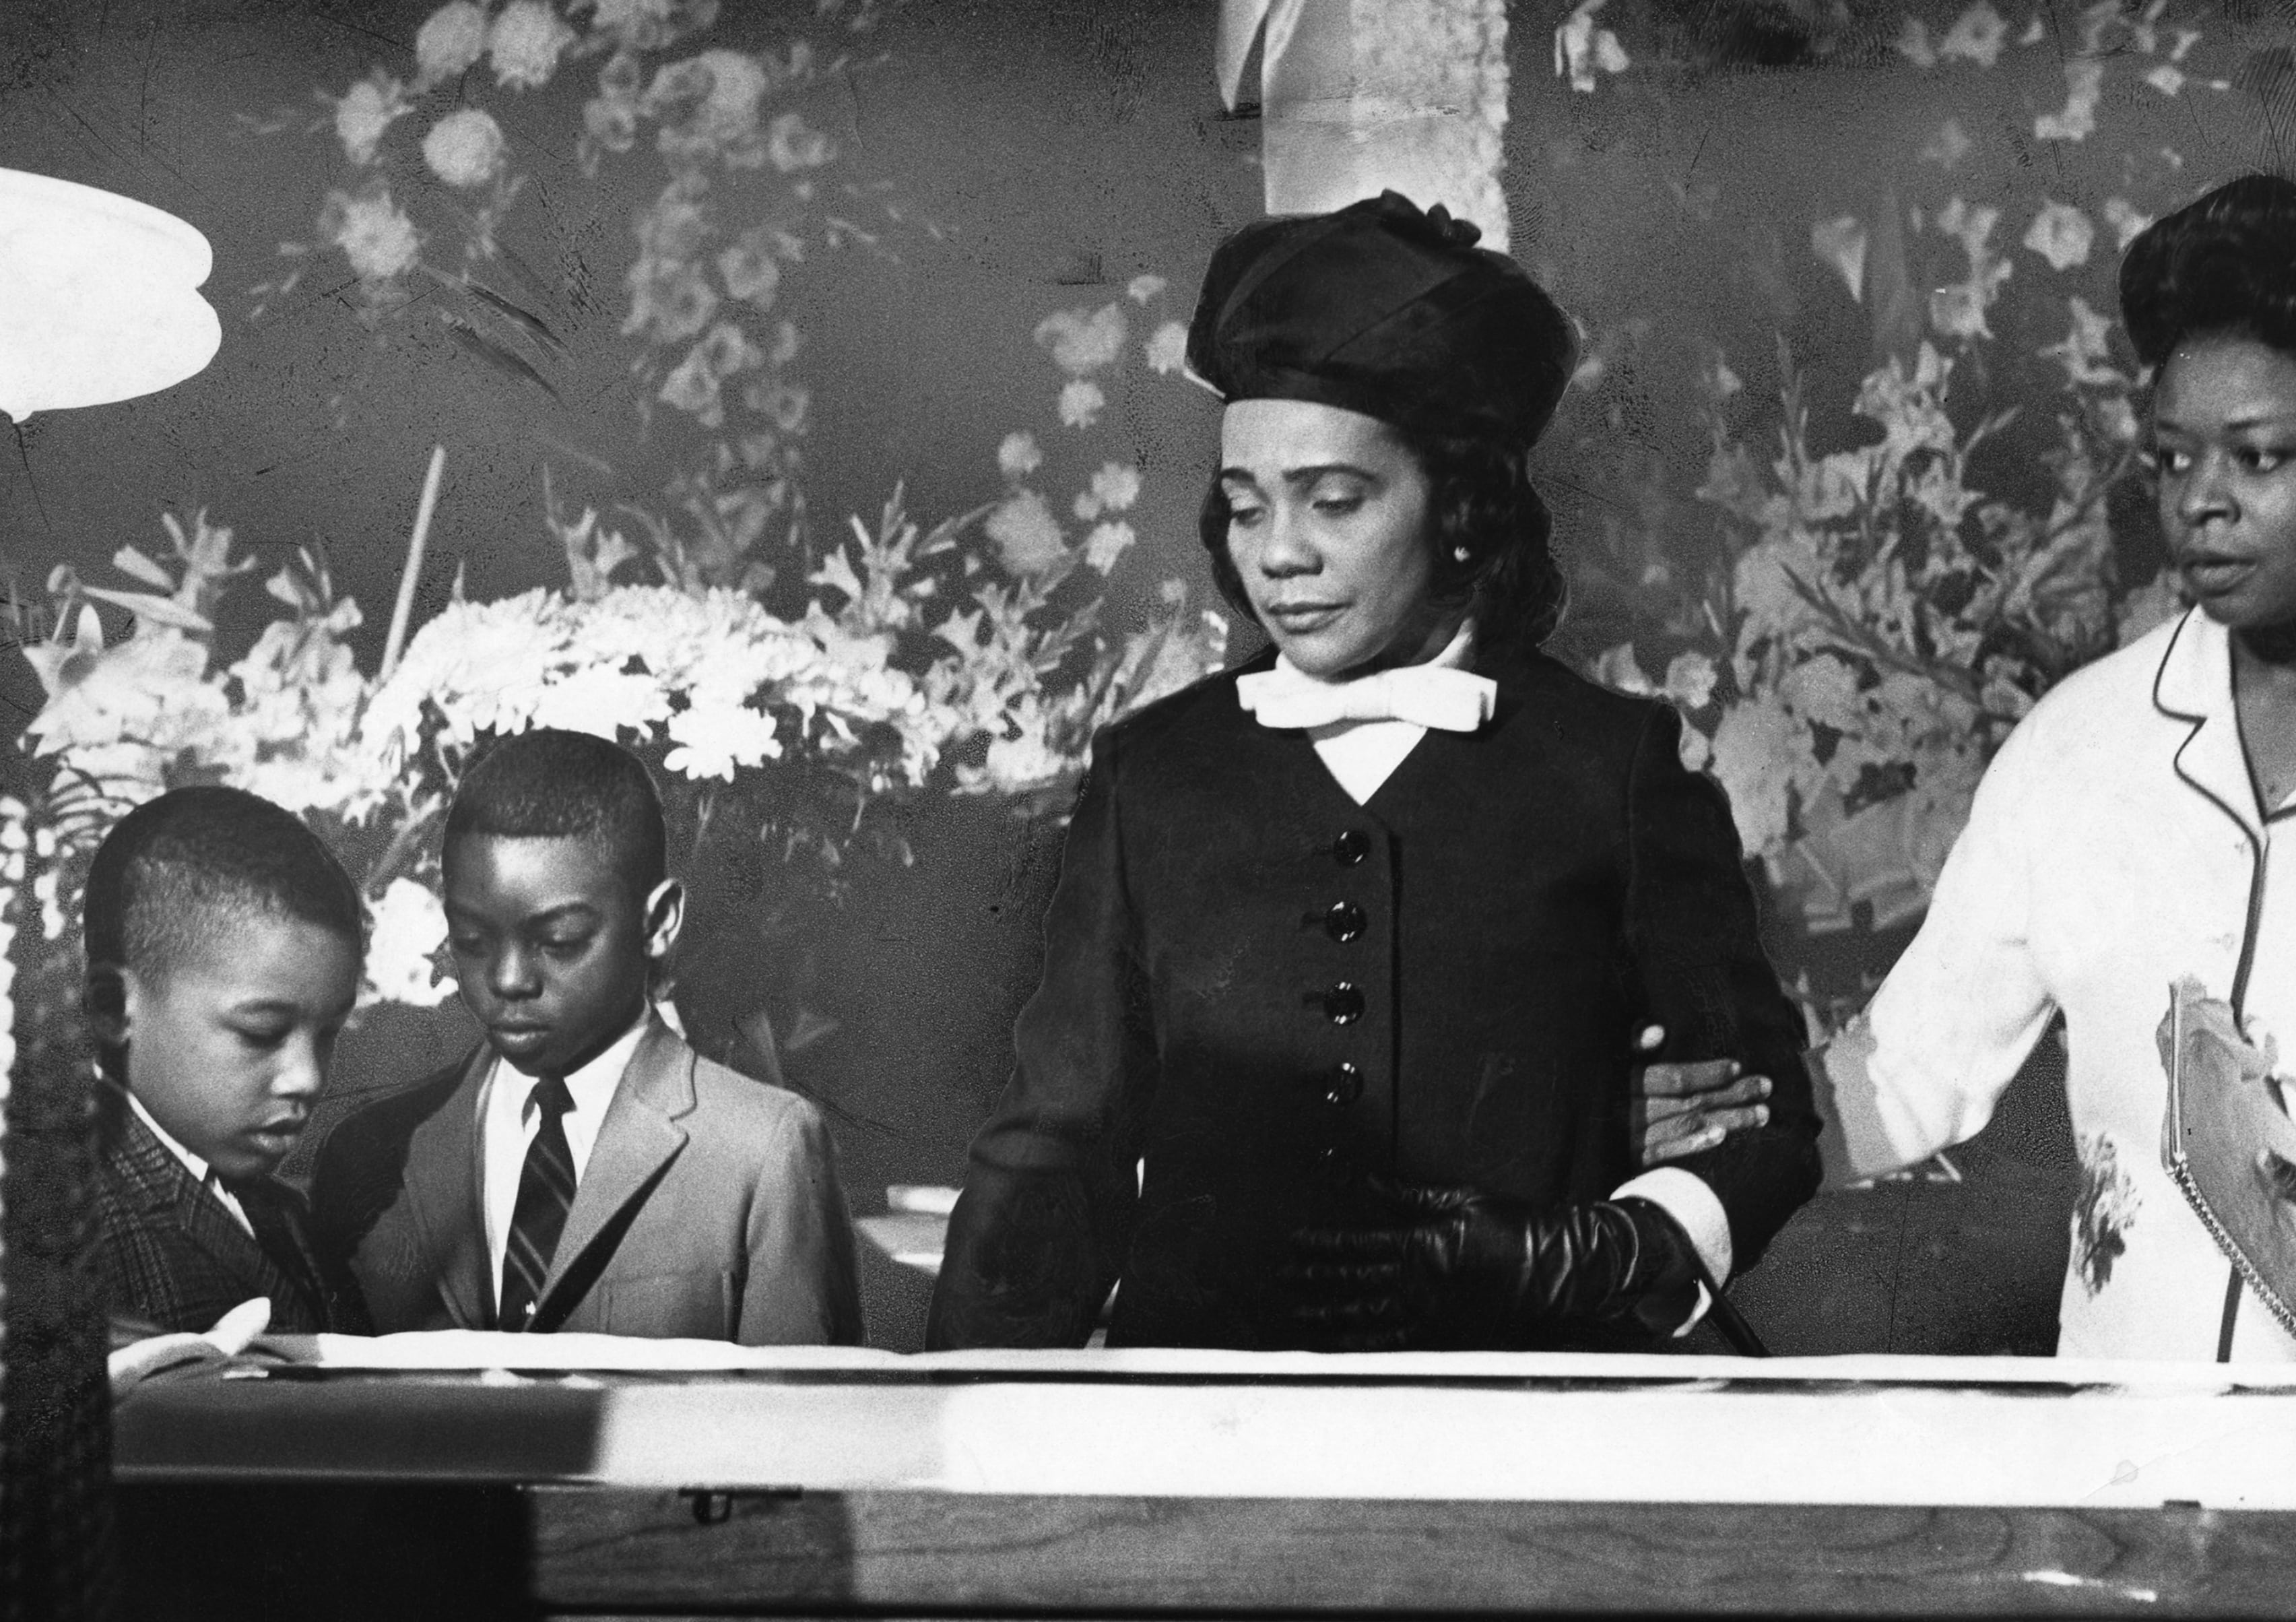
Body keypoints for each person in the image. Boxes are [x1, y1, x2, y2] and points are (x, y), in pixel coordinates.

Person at [927, 191, 1821, 1353]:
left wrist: (1615, 1246)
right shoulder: (1156, 773)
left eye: (1335, 501)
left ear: (1458, 508)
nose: (1280, 554)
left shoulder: (1613, 768)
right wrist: (960, 1430)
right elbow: (1056, 1144)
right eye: (1247, 508)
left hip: (1531, 1416)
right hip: (1208, 1422)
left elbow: (1763, 1119)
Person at [1791, 174, 2296, 1365]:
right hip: (2121, 1485)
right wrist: (1665, 1125)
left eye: (2260, 457)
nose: (2202, 502)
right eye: (2170, 459)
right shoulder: (2084, 740)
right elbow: (1907, 1075)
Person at [310, 728, 865, 1344]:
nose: (509, 978)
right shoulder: (371, 1154)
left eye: (560, 941)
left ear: (658, 923)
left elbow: (803, 1429)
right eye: (471, 941)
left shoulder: (762, 1150)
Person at [82, 785, 370, 1336]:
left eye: (329, 1033)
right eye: (261, 1032)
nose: (307, 1078)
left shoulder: (278, 1209)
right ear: (112, 1007)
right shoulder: (67, 1228)